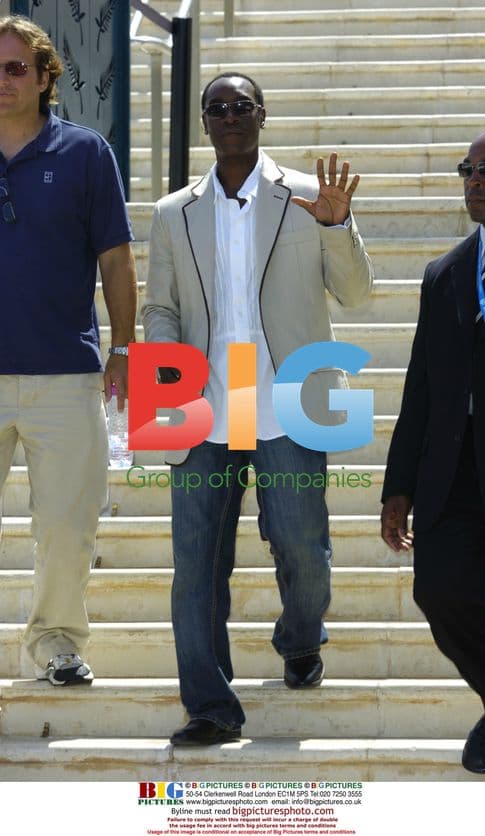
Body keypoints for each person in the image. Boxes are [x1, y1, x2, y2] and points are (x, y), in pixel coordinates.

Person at [143, 71, 373, 746]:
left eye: (242, 105)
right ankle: (211, 705)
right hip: (202, 402)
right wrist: (164, 366)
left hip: (289, 398)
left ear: (262, 115)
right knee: (196, 565)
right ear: (206, 123)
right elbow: (160, 305)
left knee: (304, 547)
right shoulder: (172, 212)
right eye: (217, 107)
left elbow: (357, 294)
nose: (230, 115)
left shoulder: (306, 196)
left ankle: (301, 637)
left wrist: (338, 227)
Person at [0, 16, 137, 685]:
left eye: (15, 67)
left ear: (47, 76)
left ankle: (55, 643)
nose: (3, 80)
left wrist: (125, 349)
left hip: (66, 373)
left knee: (66, 528)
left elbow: (115, 258)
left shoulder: (86, 153)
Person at [381, 129, 485, 774]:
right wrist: (398, 485)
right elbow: (420, 385)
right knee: (439, 590)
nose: (474, 180)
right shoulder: (444, 274)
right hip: (453, 474)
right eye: (467, 169)